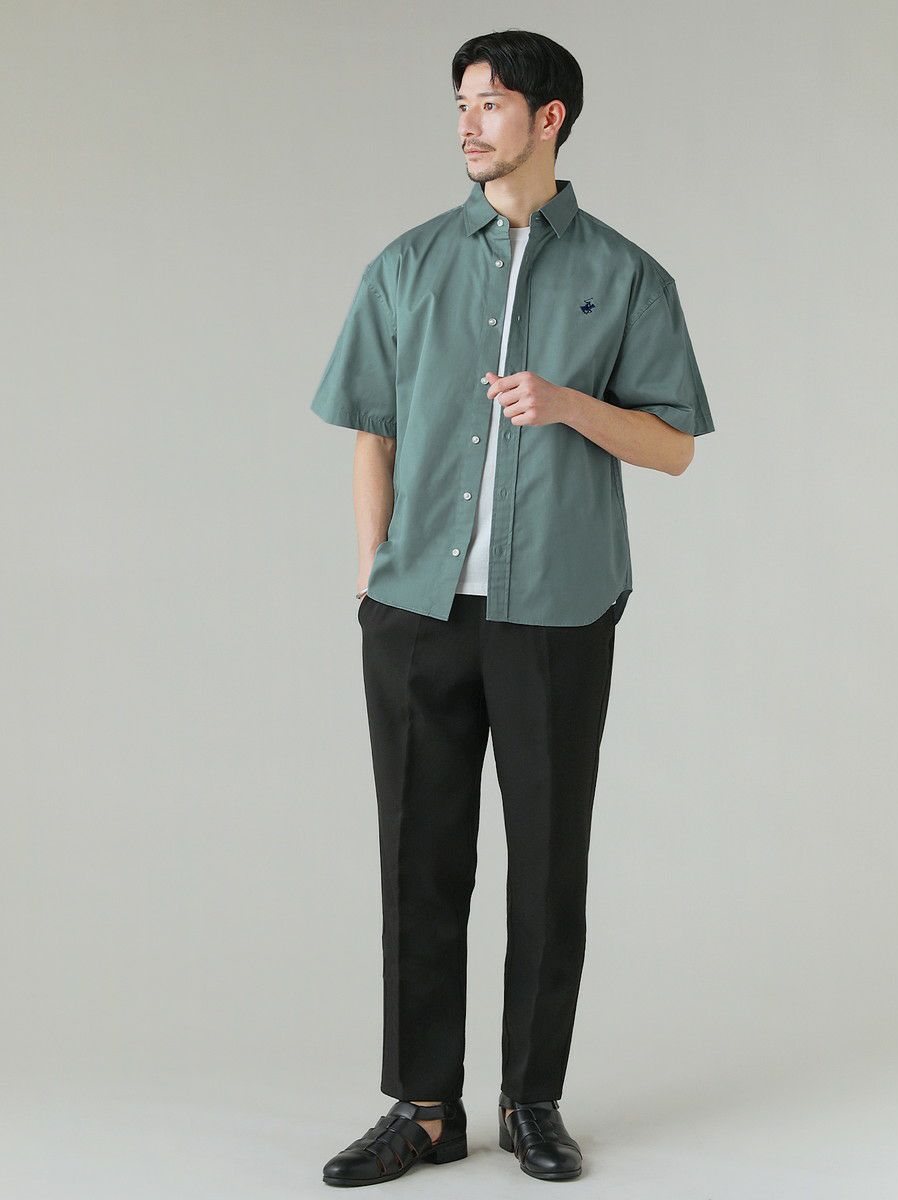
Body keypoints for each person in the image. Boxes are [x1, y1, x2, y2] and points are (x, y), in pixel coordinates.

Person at [311, 28, 715, 1187]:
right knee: (418, 860)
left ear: (549, 119)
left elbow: (675, 447)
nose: (467, 124)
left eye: (489, 104)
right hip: (417, 611)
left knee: (546, 866)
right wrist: (371, 577)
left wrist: (570, 404)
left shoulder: (628, 277)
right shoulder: (406, 266)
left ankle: (531, 1101)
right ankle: (423, 1108)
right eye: (460, 104)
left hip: (556, 611)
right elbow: (371, 430)